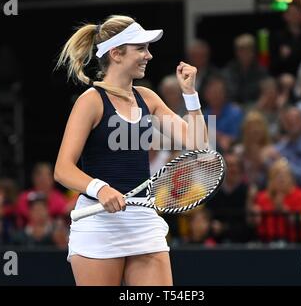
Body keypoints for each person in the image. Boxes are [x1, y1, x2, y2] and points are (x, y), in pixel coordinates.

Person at [54, 15, 207, 286]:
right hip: (98, 222)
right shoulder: (90, 102)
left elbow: (198, 143)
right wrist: (101, 189)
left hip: (142, 219)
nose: (148, 55)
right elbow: (63, 169)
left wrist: (190, 94)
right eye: (141, 48)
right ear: (116, 53)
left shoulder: (148, 98)